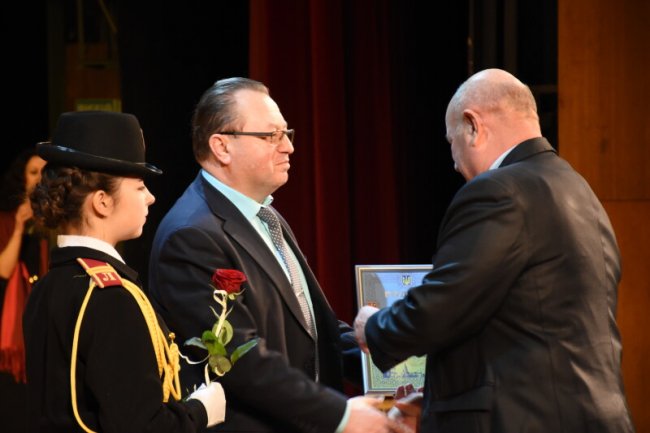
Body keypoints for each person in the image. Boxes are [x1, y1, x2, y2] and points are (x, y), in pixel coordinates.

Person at [354, 68, 636, 433]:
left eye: (451, 141)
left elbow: (443, 306)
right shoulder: (578, 189)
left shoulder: (499, 191)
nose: (454, 162)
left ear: (473, 125)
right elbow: (522, 328)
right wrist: (439, 400)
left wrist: (373, 327)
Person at [148, 77, 391, 433]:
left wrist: (399, 362)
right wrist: (341, 415)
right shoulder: (191, 236)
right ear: (222, 146)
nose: (289, 147)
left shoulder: (264, 215)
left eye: (286, 133)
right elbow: (241, 360)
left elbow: (313, 330)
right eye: (271, 136)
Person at [24, 111, 226, 432]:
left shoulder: (48, 284)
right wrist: (201, 410)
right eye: (140, 186)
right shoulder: (110, 297)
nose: (151, 197)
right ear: (102, 202)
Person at [0, 148, 47, 431]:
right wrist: (18, 227)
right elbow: (3, 271)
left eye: (44, 172)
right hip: (12, 321)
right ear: (22, 178)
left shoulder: (55, 220)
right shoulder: (6, 219)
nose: (39, 178)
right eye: (33, 172)